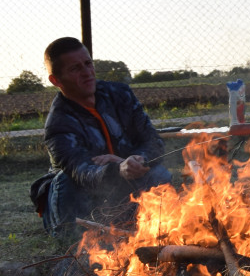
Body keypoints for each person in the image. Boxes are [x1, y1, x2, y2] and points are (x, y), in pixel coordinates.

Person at [30, 37, 171, 235]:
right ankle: (72, 243)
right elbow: (81, 172)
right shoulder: (58, 124)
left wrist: (134, 160)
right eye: (75, 69)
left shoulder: (120, 95)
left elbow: (152, 140)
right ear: (56, 80)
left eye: (88, 64)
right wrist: (117, 168)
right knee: (65, 181)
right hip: (78, 201)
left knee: (159, 174)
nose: (87, 73)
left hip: (119, 193)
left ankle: (152, 228)